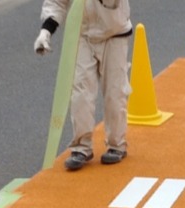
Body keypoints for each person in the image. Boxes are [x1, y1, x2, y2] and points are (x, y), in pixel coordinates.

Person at [33, 0, 132, 171]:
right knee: (81, 91)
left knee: (114, 93)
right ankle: (81, 147)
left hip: (115, 32)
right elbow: (57, 2)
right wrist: (46, 30)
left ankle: (116, 144)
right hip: (83, 34)